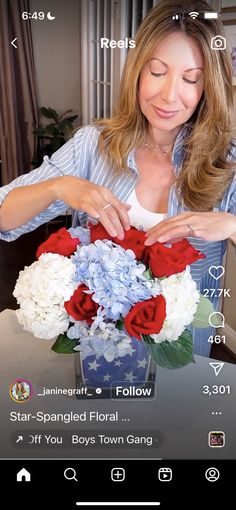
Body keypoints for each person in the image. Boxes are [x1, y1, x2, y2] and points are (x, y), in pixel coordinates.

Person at [0, 0, 236, 357]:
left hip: (183, 359)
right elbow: (4, 214)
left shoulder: (226, 159)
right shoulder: (92, 146)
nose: (169, 95)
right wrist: (57, 186)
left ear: (208, 86)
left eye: (191, 79)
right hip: (97, 355)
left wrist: (232, 226)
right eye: (157, 72)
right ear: (137, 72)